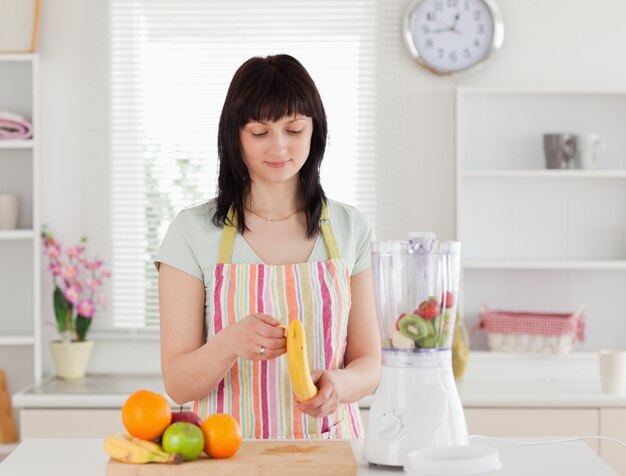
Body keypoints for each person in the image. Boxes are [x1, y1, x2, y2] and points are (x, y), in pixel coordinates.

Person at [155, 54, 381, 439]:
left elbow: (369, 363)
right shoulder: (190, 232)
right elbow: (177, 384)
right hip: (228, 455)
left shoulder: (349, 228)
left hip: (330, 449)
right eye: (260, 133)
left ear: (315, 132)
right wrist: (228, 345)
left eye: (294, 130)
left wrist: (339, 386)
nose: (279, 147)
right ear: (235, 137)